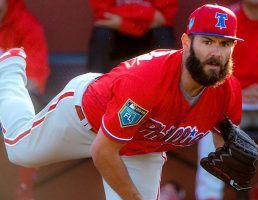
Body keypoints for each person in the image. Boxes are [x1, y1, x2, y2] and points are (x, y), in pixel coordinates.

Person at [0, 4, 243, 199]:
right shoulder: (147, 81)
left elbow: (224, 146)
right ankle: (9, 69)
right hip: (86, 118)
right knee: (20, 151)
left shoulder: (228, 90)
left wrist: (232, 163)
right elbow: (103, 151)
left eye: (224, 44)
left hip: (143, 146)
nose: (216, 52)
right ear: (187, 42)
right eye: (208, 41)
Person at [195, 1, 258, 199]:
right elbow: (210, 67)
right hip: (233, 104)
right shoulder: (227, 20)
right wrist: (239, 91)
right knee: (210, 126)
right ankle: (209, 196)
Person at [0, 0, 50, 199]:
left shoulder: (27, 25)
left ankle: (22, 186)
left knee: (18, 119)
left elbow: (36, 80)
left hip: (20, 96)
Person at [87, 0, 179, 73]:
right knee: (102, 34)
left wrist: (123, 21)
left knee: (163, 33)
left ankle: (169, 85)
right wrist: (149, 15)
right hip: (118, 36)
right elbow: (102, 14)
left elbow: (165, 15)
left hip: (148, 35)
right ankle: (92, 85)